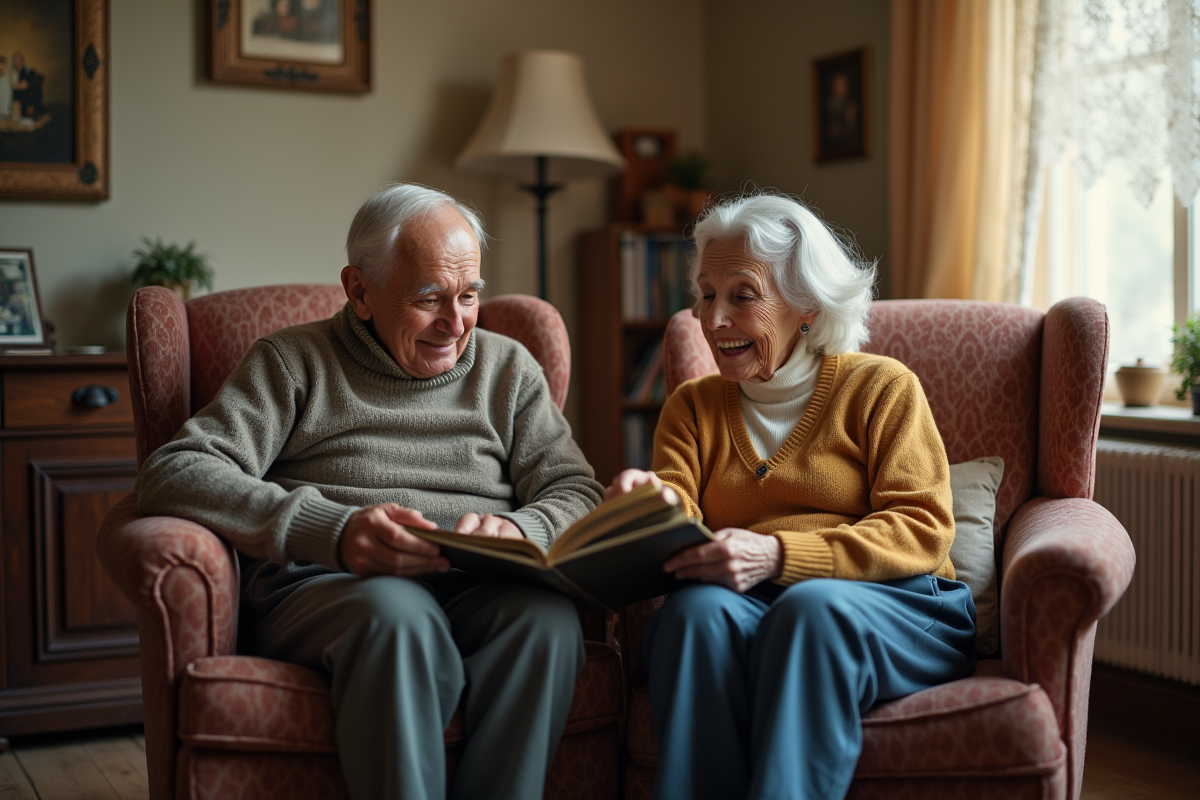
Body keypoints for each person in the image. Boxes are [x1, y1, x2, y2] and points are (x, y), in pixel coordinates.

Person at [136, 184, 604, 800]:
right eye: (429, 297)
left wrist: (524, 529)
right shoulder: (292, 363)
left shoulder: (509, 370)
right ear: (359, 290)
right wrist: (332, 531)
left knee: (547, 623)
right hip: (331, 590)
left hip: (476, 587)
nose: (455, 321)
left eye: (469, 296)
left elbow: (577, 489)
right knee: (397, 618)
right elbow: (175, 470)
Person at [604, 193, 976, 800]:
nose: (713, 318)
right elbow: (679, 505)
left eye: (742, 295)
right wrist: (650, 505)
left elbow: (922, 529)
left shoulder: (881, 388)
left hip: (900, 608)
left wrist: (777, 555)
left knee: (812, 611)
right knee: (694, 616)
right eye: (705, 294)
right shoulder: (691, 408)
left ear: (805, 304)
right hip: (756, 604)